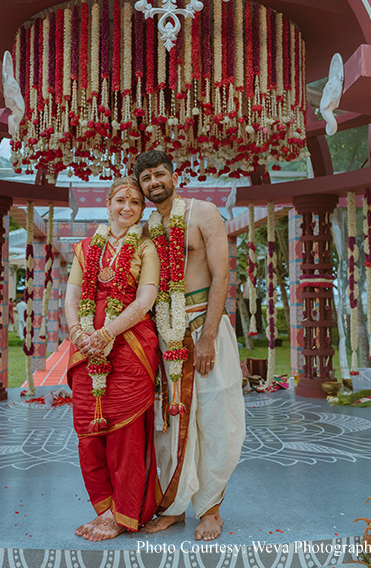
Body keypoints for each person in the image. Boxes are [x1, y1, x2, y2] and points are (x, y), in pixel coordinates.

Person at [134, 150, 246, 542]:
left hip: (204, 327)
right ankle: (175, 507)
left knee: (216, 418)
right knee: (171, 423)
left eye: (159, 174)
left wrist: (209, 337)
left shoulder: (203, 213)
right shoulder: (146, 228)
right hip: (166, 334)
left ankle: (211, 509)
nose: (154, 183)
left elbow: (221, 275)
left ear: (174, 176)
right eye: (146, 178)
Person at [65, 177, 160, 541]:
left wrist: (108, 333)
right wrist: (79, 334)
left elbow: (145, 299)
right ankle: (103, 509)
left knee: (126, 433)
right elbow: (73, 295)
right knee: (88, 432)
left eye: (135, 202)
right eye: (121, 199)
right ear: (107, 204)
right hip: (86, 346)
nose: (127, 207)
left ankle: (122, 514)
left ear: (141, 210)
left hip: (130, 345)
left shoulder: (146, 247)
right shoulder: (85, 248)